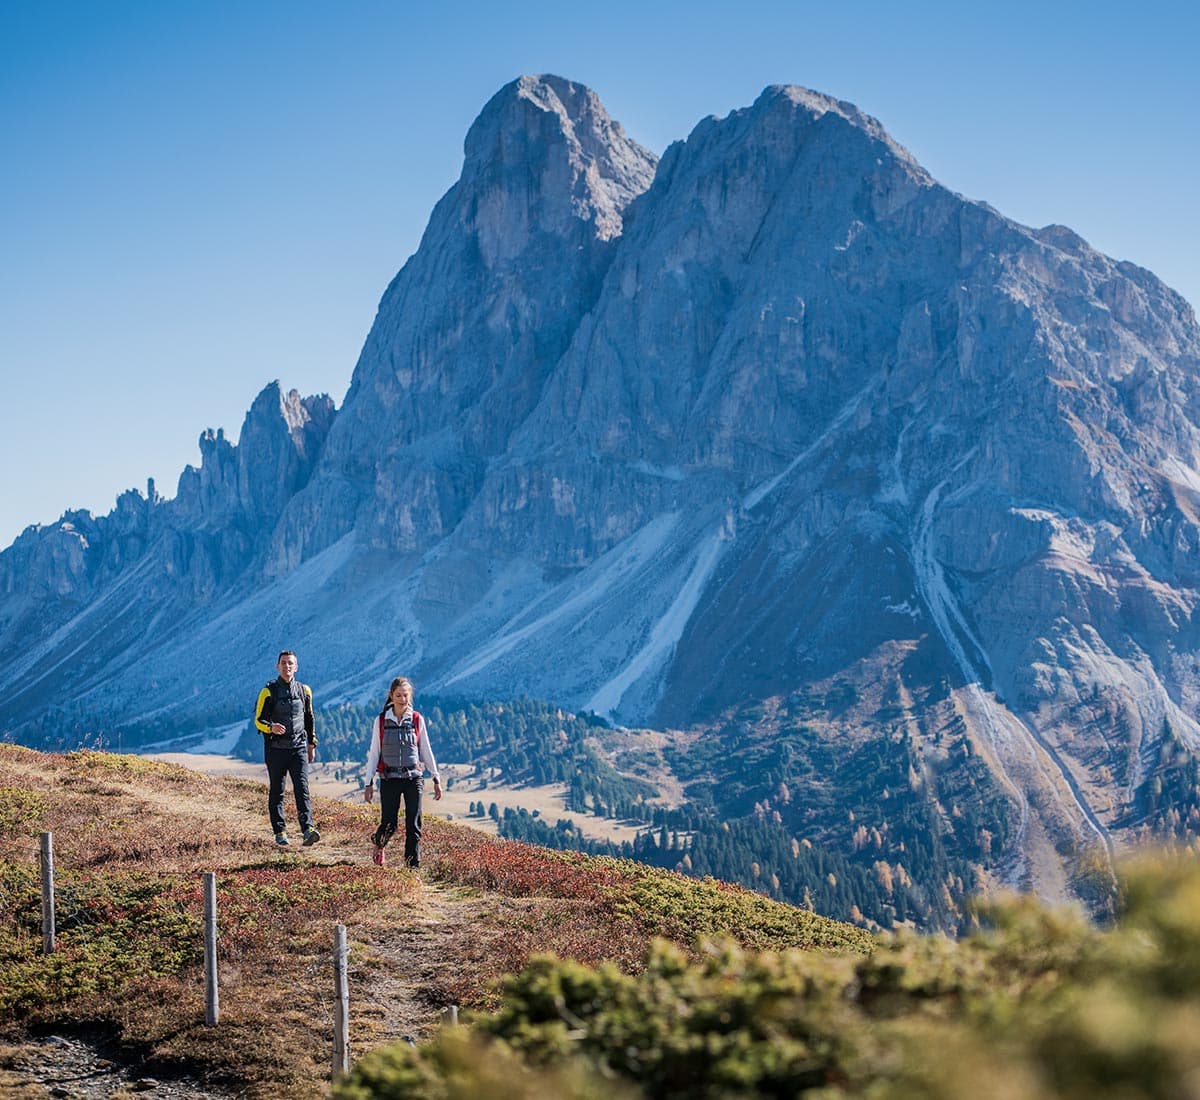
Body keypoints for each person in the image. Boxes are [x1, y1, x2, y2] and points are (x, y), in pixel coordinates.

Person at [363, 677, 441, 867]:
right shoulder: (381, 721)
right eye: (398, 695)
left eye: (405, 695)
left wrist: (435, 777)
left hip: (413, 778)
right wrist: (368, 782)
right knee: (389, 824)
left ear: (410, 696)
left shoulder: (416, 719)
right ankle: (379, 843)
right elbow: (374, 753)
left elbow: (425, 750)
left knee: (414, 825)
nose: (402, 699)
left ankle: (412, 868)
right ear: (391, 696)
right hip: (389, 779)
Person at [254, 650, 320, 846]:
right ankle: (280, 832)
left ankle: (308, 829)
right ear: (277, 666)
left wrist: (311, 744)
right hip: (276, 749)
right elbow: (258, 720)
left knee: (302, 788)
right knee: (277, 790)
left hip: (298, 747)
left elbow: (310, 718)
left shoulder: (304, 691)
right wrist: (270, 727)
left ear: (296, 667)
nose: (287, 666)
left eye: (290, 663)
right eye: (283, 663)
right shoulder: (268, 691)